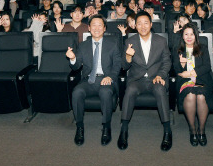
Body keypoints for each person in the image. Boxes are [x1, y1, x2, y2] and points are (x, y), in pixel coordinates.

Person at [118, 11, 172, 151]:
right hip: (138, 79)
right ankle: (124, 129)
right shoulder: (130, 41)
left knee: (160, 89)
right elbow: (124, 66)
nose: (143, 26)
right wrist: (128, 57)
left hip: (156, 78)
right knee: (129, 90)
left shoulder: (161, 41)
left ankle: (167, 130)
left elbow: (167, 62)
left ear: (151, 24)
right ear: (135, 26)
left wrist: (161, 74)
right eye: (139, 23)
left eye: (146, 23)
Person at [66, 15, 122, 146]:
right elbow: (75, 66)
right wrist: (73, 58)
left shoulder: (113, 44)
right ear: (89, 28)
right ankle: (79, 127)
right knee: (77, 92)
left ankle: (106, 127)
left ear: (104, 28)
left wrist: (111, 77)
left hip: (106, 79)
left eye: (100, 25)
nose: (97, 28)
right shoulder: (83, 45)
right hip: (88, 80)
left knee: (106, 93)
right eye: (94, 25)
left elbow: (117, 64)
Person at [172, 24, 213, 147]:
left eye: (191, 34)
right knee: (191, 95)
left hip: (202, 79)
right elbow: (176, 70)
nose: (189, 37)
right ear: (182, 36)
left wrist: (191, 72)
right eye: (186, 34)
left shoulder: (202, 47)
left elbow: (207, 66)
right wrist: (182, 65)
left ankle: (202, 130)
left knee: (201, 97)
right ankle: (192, 130)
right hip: (185, 81)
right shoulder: (178, 50)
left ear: (195, 36)